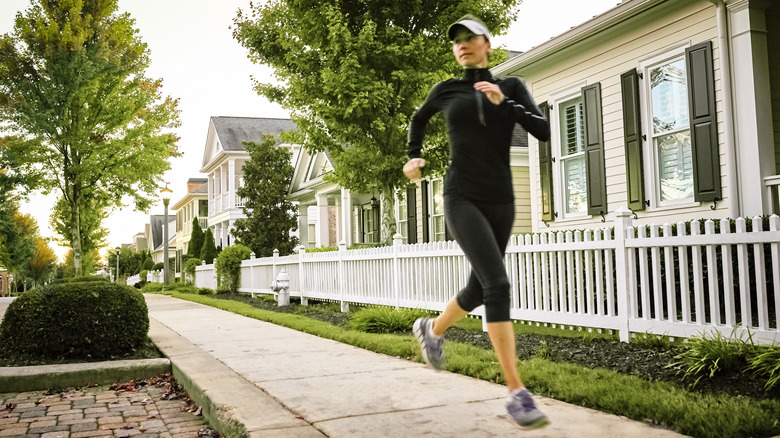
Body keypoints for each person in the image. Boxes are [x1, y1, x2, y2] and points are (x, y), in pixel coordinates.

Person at [405, 14, 551, 430]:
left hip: (502, 200)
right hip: (461, 196)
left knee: (477, 288)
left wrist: (506, 104)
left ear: (487, 43)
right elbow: (418, 118)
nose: (463, 44)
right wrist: (413, 155)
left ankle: (432, 329)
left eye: (471, 37)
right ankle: (517, 394)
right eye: (457, 40)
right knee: (498, 285)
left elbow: (543, 131)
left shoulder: (511, 86)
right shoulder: (446, 90)